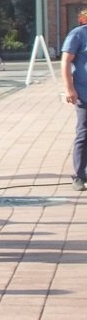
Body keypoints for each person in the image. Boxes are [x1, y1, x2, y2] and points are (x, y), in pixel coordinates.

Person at [61, 10, 87, 191]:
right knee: (84, 134)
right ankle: (79, 176)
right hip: (84, 93)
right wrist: (69, 88)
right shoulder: (78, 34)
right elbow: (65, 61)